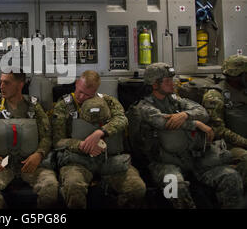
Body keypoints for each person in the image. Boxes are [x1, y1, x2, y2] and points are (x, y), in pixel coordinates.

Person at [134, 62, 243, 208]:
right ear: (155, 85)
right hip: (164, 163)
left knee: (231, 177)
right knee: (173, 186)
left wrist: (185, 114)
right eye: (167, 81)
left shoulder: (176, 101)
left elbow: (202, 112)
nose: (172, 83)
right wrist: (196, 124)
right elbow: (163, 122)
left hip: (193, 157)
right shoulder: (144, 108)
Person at [52, 70, 146, 209]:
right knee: (73, 187)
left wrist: (100, 132)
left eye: (87, 95)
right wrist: (82, 145)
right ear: (77, 83)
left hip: (110, 159)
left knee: (136, 188)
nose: (81, 97)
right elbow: (58, 141)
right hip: (78, 161)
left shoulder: (108, 101)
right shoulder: (63, 106)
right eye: (80, 91)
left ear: (96, 90)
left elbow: (122, 119)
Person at [0, 69, 59, 209]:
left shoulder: (34, 108)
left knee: (50, 186)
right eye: (1, 82)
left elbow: (46, 136)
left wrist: (39, 154)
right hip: (1, 163)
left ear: (20, 85)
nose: (1, 86)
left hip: (29, 162)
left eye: (6, 83)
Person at [202, 55, 247, 187]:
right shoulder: (215, 96)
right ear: (237, 76)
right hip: (228, 147)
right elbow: (218, 130)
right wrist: (245, 142)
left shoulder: (243, 91)